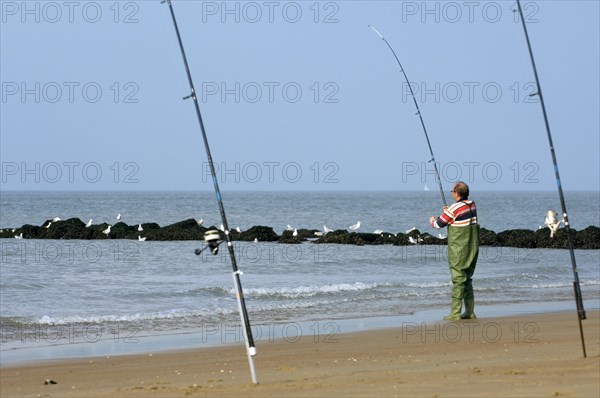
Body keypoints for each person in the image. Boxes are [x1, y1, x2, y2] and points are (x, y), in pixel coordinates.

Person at [429, 181, 480, 320]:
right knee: (467, 278)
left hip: (458, 249)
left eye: (452, 191)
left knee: (458, 279)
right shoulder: (472, 204)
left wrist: (432, 219)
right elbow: (457, 216)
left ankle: (455, 313)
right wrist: (448, 212)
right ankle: (470, 312)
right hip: (472, 247)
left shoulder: (454, 208)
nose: (451, 193)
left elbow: (438, 224)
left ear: (457, 193)